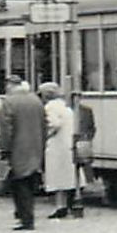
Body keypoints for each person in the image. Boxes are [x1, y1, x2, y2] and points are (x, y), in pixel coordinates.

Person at [0, 76, 47, 231]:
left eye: (7, 85)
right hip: (35, 148)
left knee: (19, 185)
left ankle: (25, 219)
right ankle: (27, 217)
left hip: (17, 150)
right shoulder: (36, 101)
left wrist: (4, 149)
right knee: (30, 183)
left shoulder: (9, 102)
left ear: (11, 86)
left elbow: (6, 129)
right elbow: (44, 125)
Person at [39, 82, 78, 220]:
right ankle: (68, 205)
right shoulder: (65, 106)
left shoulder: (50, 107)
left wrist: (46, 134)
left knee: (56, 177)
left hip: (57, 145)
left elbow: (54, 124)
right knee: (67, 177)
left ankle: (60, 206)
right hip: (67, 144)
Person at [71, 90, 97, 205]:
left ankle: (86, 185)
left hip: (83, 140)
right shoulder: (68, 111)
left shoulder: (87, 110)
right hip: (72, 142)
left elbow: (92, 126)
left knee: (85, 163)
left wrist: (88, 137)